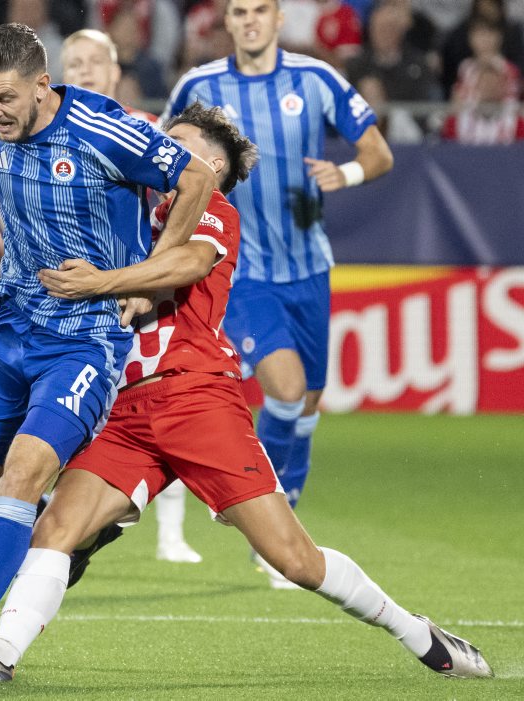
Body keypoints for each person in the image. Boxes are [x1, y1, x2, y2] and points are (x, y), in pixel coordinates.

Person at [0, 102, 494, 683]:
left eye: (178, 142)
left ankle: (417, 632)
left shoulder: (212, 209)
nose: (160, 148)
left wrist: (105, 281)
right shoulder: (122, 211)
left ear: (211, 164)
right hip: (124, 409)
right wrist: (2, 275)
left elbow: (189, 263)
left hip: (197, 400)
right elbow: (65, 294)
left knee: (294, 560)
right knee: (56, 529)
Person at [0, 22, 215, 653]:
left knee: (21, 478)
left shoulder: (102, 129)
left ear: (43, 85)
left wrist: (143, 278)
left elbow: (197, 177)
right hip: (11, 331)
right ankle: (66, 529)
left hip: (86, 340)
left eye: (6, 98)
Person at [158, 0, 394, 587]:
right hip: (240, 272)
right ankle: (263, 519)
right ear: (228, 23)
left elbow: (379, 152)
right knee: (285, 391)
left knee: (308, 402)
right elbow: (160, 157)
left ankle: (285, 512)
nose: (250, 20)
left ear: (279, 18)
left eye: (260, 9)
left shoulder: (316, 80)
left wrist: (349, 174)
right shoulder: (199, 84)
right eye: (239, 12)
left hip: (309, 268)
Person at [60, 27, 201, 565]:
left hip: (131, 298)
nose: (87, 70)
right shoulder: (46, 135)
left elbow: (183, 205)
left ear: (116, 72)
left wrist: (152, 278)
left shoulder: (141, 130)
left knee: (163, 409)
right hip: (76, 297)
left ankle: (168, 531)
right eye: (75, 63)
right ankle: (78, 523)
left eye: (96, 61)